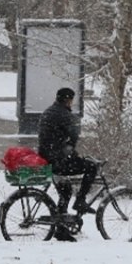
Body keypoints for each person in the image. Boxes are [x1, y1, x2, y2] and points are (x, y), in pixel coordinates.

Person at [37, 87, 99, 241]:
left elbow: (55, 139)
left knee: (65, 191)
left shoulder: (49, 111)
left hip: (48, 159)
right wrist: (74, 154)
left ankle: (61, 230)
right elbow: (71, 139)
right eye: (71, 99)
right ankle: (80, 201)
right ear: (68, 100)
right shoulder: (65, 115)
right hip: (59, 160)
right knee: (92, 166)